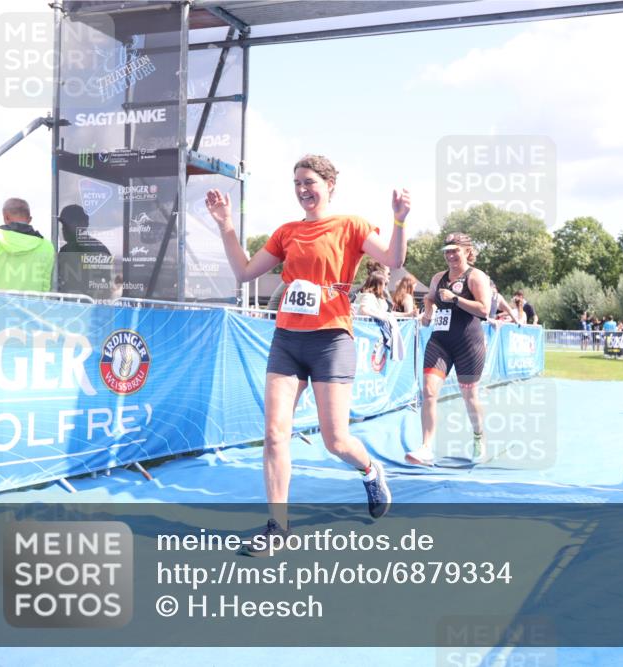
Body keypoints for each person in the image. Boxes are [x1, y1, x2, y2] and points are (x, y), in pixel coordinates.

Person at [205, 154, 410, 551]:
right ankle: (277, 526)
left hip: (331, 340)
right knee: (274, 433)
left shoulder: (351, 225)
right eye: (297, 183)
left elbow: (394, 260)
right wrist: (226, 225)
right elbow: (245, 272)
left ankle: (370, 471)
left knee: (336, 440)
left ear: (330, 184)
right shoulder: (287, 232)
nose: (303, 189)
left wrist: (400, 219)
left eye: (310, 182)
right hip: (287, 340)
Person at [406, 232, 492, 466]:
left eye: (455, 250)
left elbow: (484, 310)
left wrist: (455, 299)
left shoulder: (476, 277)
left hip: (468, 344)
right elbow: (430, 298)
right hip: (440, 342)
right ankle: (426, 447)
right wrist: (428, 311)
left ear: (467, 251)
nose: (451, 255)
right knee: (429, 391)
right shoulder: (438, 277)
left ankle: (478, 436)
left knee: (469, 396)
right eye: (447, 251)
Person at [0, 198, 54, 292]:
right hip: (29, 306)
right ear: (30, 219)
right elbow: (45, 287)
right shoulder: (47, 246)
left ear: (6, 217)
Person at [56, 204, 116, 299]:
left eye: (67, 224)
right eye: (63, 225)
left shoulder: (99, 250)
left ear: (81, 225)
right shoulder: (101, 249)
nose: (63, 229)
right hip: (70, 307)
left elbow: (105, 286)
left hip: (88, 308)